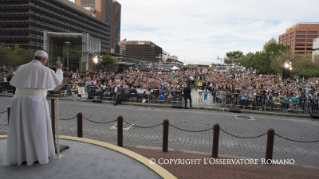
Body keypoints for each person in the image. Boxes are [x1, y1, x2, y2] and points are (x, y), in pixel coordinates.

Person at [3, 50, 63, 166]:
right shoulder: (44, 70)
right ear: (44, 60)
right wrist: (59, 69)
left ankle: (21, 154)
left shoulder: (21, 68)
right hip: (35, 102)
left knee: (20, 127)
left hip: (18, 100)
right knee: (36, 128)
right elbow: (57, 82)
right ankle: (37, 155)